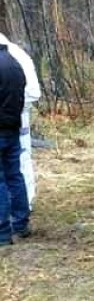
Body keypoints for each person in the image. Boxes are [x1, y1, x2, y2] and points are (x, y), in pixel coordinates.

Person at [0, 32, 41, 209]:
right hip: (13, 120)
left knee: (18, 168)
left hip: (15, 121)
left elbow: (32, 92)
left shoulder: (17, 56)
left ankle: (22, 209)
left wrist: (12, 109)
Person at [0, 40, 30, 245]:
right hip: (12, 127)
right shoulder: (14, 63)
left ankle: (2, 231)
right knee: (14, 175)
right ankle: (21, 223)